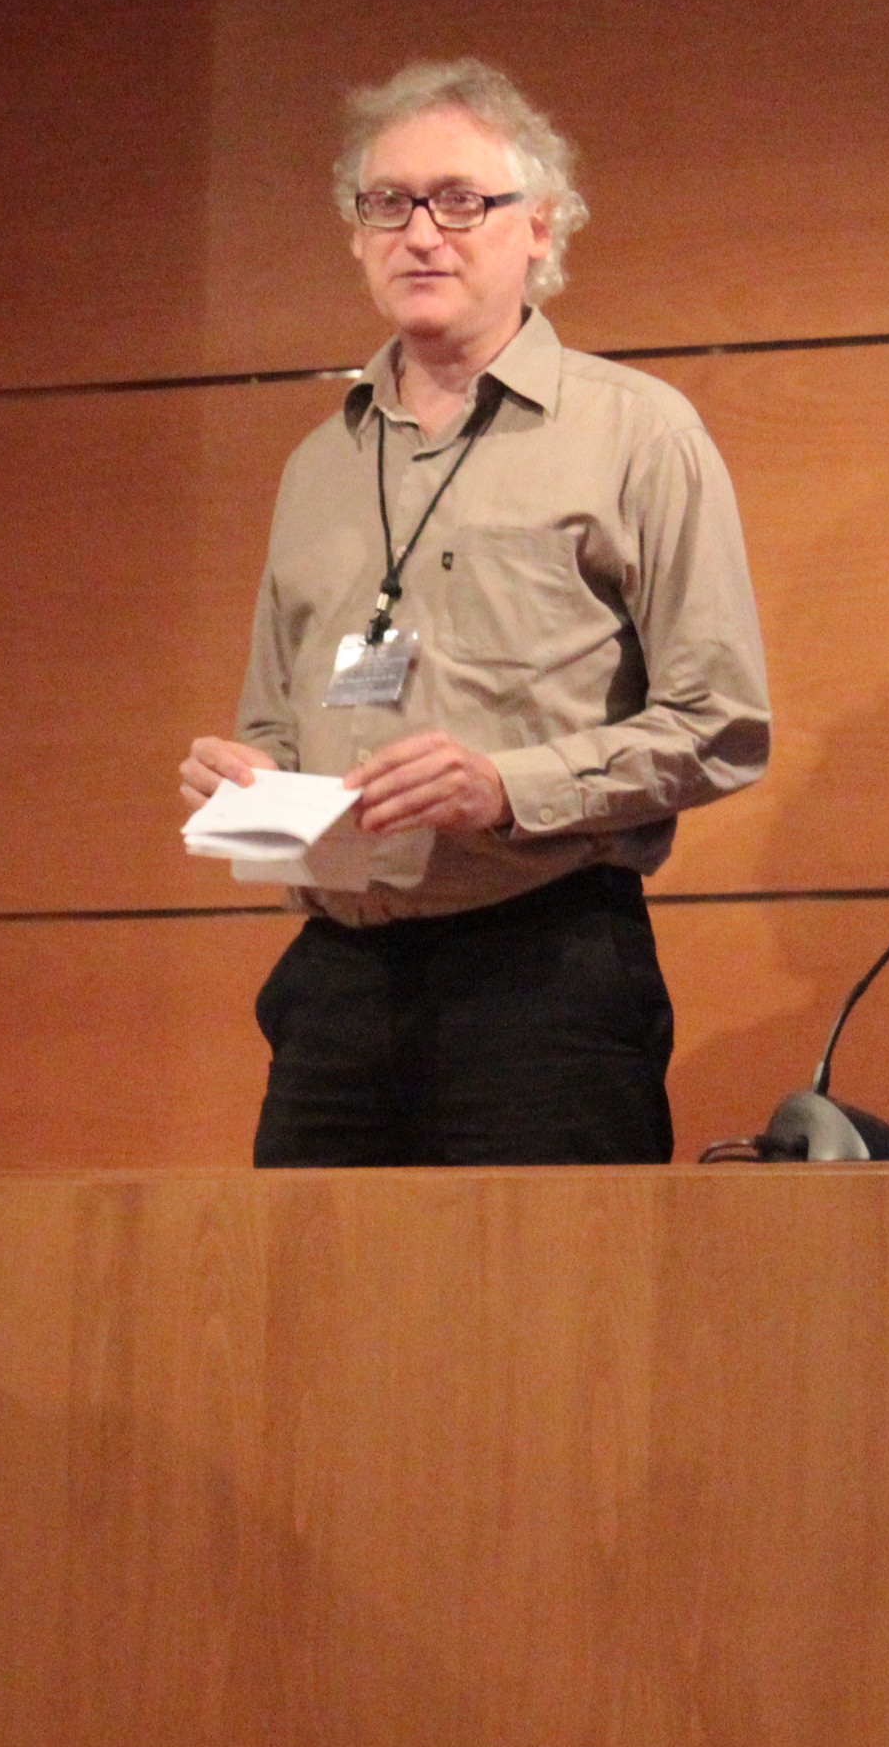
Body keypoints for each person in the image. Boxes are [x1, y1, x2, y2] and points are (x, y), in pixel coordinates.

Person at [179, 59, 769, 1165]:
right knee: (303, 1283)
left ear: (540, 227)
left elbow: (722, 724)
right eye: (388, 203)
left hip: (543, 980)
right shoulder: (317, 464)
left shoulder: (638, 433)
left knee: (550, 1285)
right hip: (335, 990)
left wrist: (507, 788)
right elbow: (275, 724)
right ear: (357, 235)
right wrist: (247, 783)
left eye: (460, 201)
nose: (421, 234)